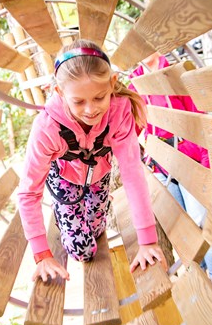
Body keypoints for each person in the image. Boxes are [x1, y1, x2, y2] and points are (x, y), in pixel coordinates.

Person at [18, 39, 168, 282]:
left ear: (112, 84)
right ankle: (63, 211)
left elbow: (132, 175)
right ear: (60, 93)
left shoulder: (119, 113)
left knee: (97, 229)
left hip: (99, 173)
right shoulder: (47, 127)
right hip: (64, 177)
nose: (90, 110)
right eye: (78, 101)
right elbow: (28, 192)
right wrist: (42, 254)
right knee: (83, 250)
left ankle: (87, 211)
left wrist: (148, 241)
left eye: (99, 98)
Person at [129, 52, 212, 301]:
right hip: (160, 162)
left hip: (188, 156)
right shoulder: (136, 82)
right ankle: (199, 275)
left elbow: (199, 120)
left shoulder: (174, 74)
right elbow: (136, 125)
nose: (146, 49)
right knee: (179, 225)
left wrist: (206, 166)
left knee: (200, 218)